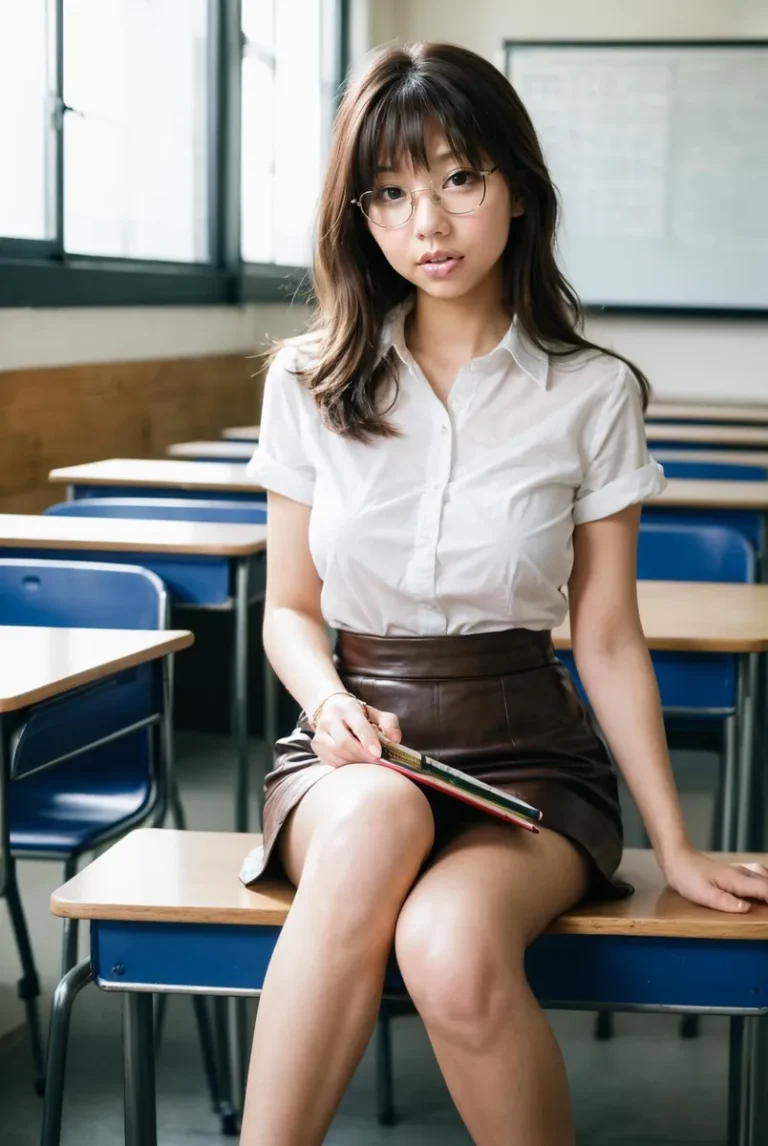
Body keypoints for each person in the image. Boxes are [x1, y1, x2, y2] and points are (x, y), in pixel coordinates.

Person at [238, 41, 768, 1146]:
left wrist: (675, 844)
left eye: (457, 180)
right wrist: (329, 703)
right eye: (388, 194)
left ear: (516, 189)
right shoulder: (308, 379)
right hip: (350, 752)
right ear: (359, 218)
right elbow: (289, 609)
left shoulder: (594, 392)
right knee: (380, 809)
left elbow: (609, 638)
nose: (426, 224)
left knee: (450, 949)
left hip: (526, 752)